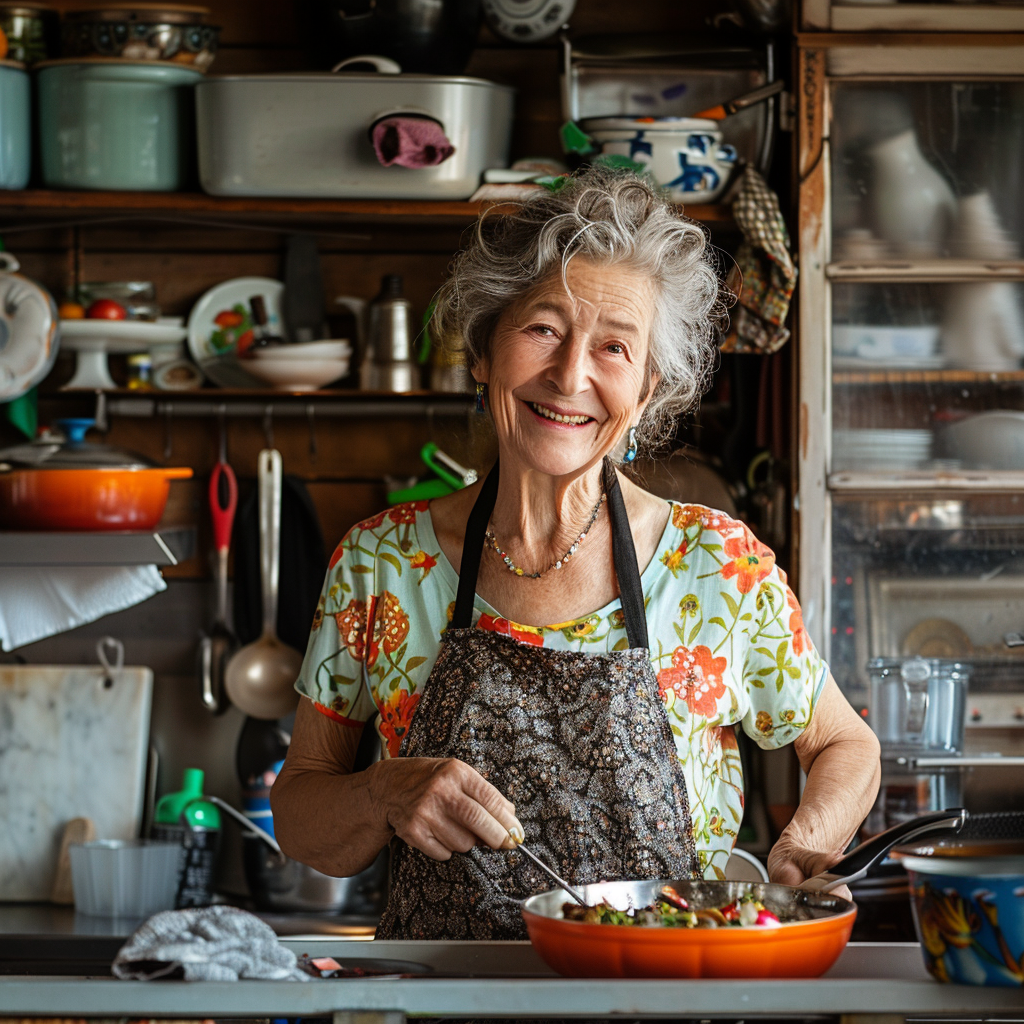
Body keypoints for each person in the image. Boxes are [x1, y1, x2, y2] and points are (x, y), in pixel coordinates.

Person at [272, 167, 880, 940]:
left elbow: (843, 743)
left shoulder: (718, 566)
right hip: (448, 1008)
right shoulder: (381, 564)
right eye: (543, 329)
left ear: (648, 389)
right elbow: (300, 813)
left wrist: (806, 844)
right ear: (483, 349)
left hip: (663, 1000)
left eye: (615, 347)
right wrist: (381, 794)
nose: (570, 376)